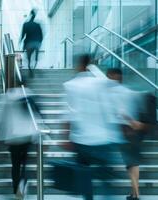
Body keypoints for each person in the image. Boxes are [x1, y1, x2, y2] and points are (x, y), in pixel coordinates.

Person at [63, 54, 122, 200]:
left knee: (85, 180)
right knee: (106, 181)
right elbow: (112, 108)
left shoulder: (71, 85)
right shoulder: (102, 83)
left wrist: (66, 137)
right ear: (91, 64)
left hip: (82, 141)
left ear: (79, 65)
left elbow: (69, 114)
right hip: (104, 139)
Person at [107, 68, 156, 200]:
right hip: (134, 131)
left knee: (131, 163)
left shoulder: (119, 92)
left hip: (128, 131)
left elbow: (121, 112)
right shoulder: (128, 91)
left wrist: (130, 122)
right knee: (132, 163)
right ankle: (134, 192)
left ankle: (136, 194)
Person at [0, 87, 41, 200]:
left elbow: (0, 118)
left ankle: (16, 190)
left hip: (14, 136)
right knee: (25, 165)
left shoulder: (7, 96)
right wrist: (40, 138)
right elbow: (36, 117)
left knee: (15, 165)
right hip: (28, 135)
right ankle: (23, 184)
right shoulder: (29, 94)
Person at [20, 9, 43, 77]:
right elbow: (41, 35)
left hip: (29, 43)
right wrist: (39, 43)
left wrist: (20, 42)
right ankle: (34, 67)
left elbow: (22, 35)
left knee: (29, 58)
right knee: (36, 57)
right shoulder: (38, 25)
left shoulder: (25, 24)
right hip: (37, 43)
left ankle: (30, 69)